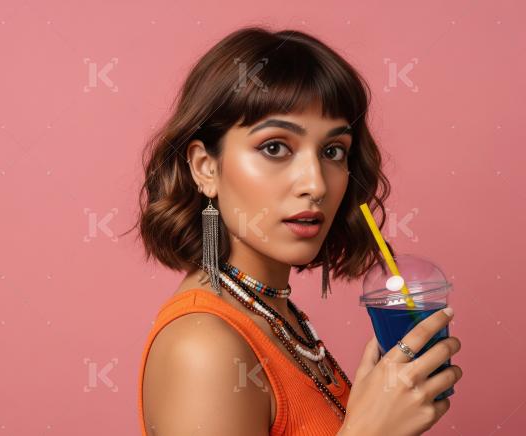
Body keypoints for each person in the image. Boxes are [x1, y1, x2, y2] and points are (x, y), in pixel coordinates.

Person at [127, 26, 463, 435]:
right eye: (275, 147)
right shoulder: (203, 348)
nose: (316, 184)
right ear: (205, 167)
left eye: (332, 151)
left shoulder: (276, 318)